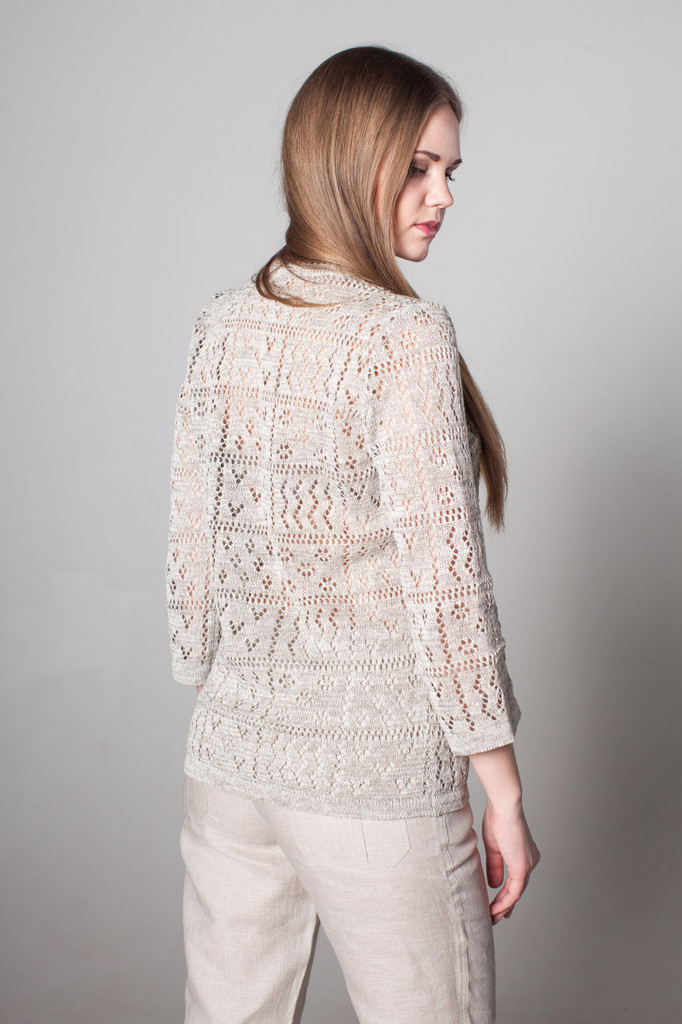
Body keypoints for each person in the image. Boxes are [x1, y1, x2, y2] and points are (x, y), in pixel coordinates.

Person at [165, 44, 541, 1024]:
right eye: (418, 166)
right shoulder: (402, 338)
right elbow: (447, 592)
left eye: (449, 171)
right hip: (376, 779)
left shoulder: (222, 323)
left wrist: (229, 687)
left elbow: (194, 555)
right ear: (344, 160)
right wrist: (502, 795)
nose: (442, 195)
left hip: (233, 764)